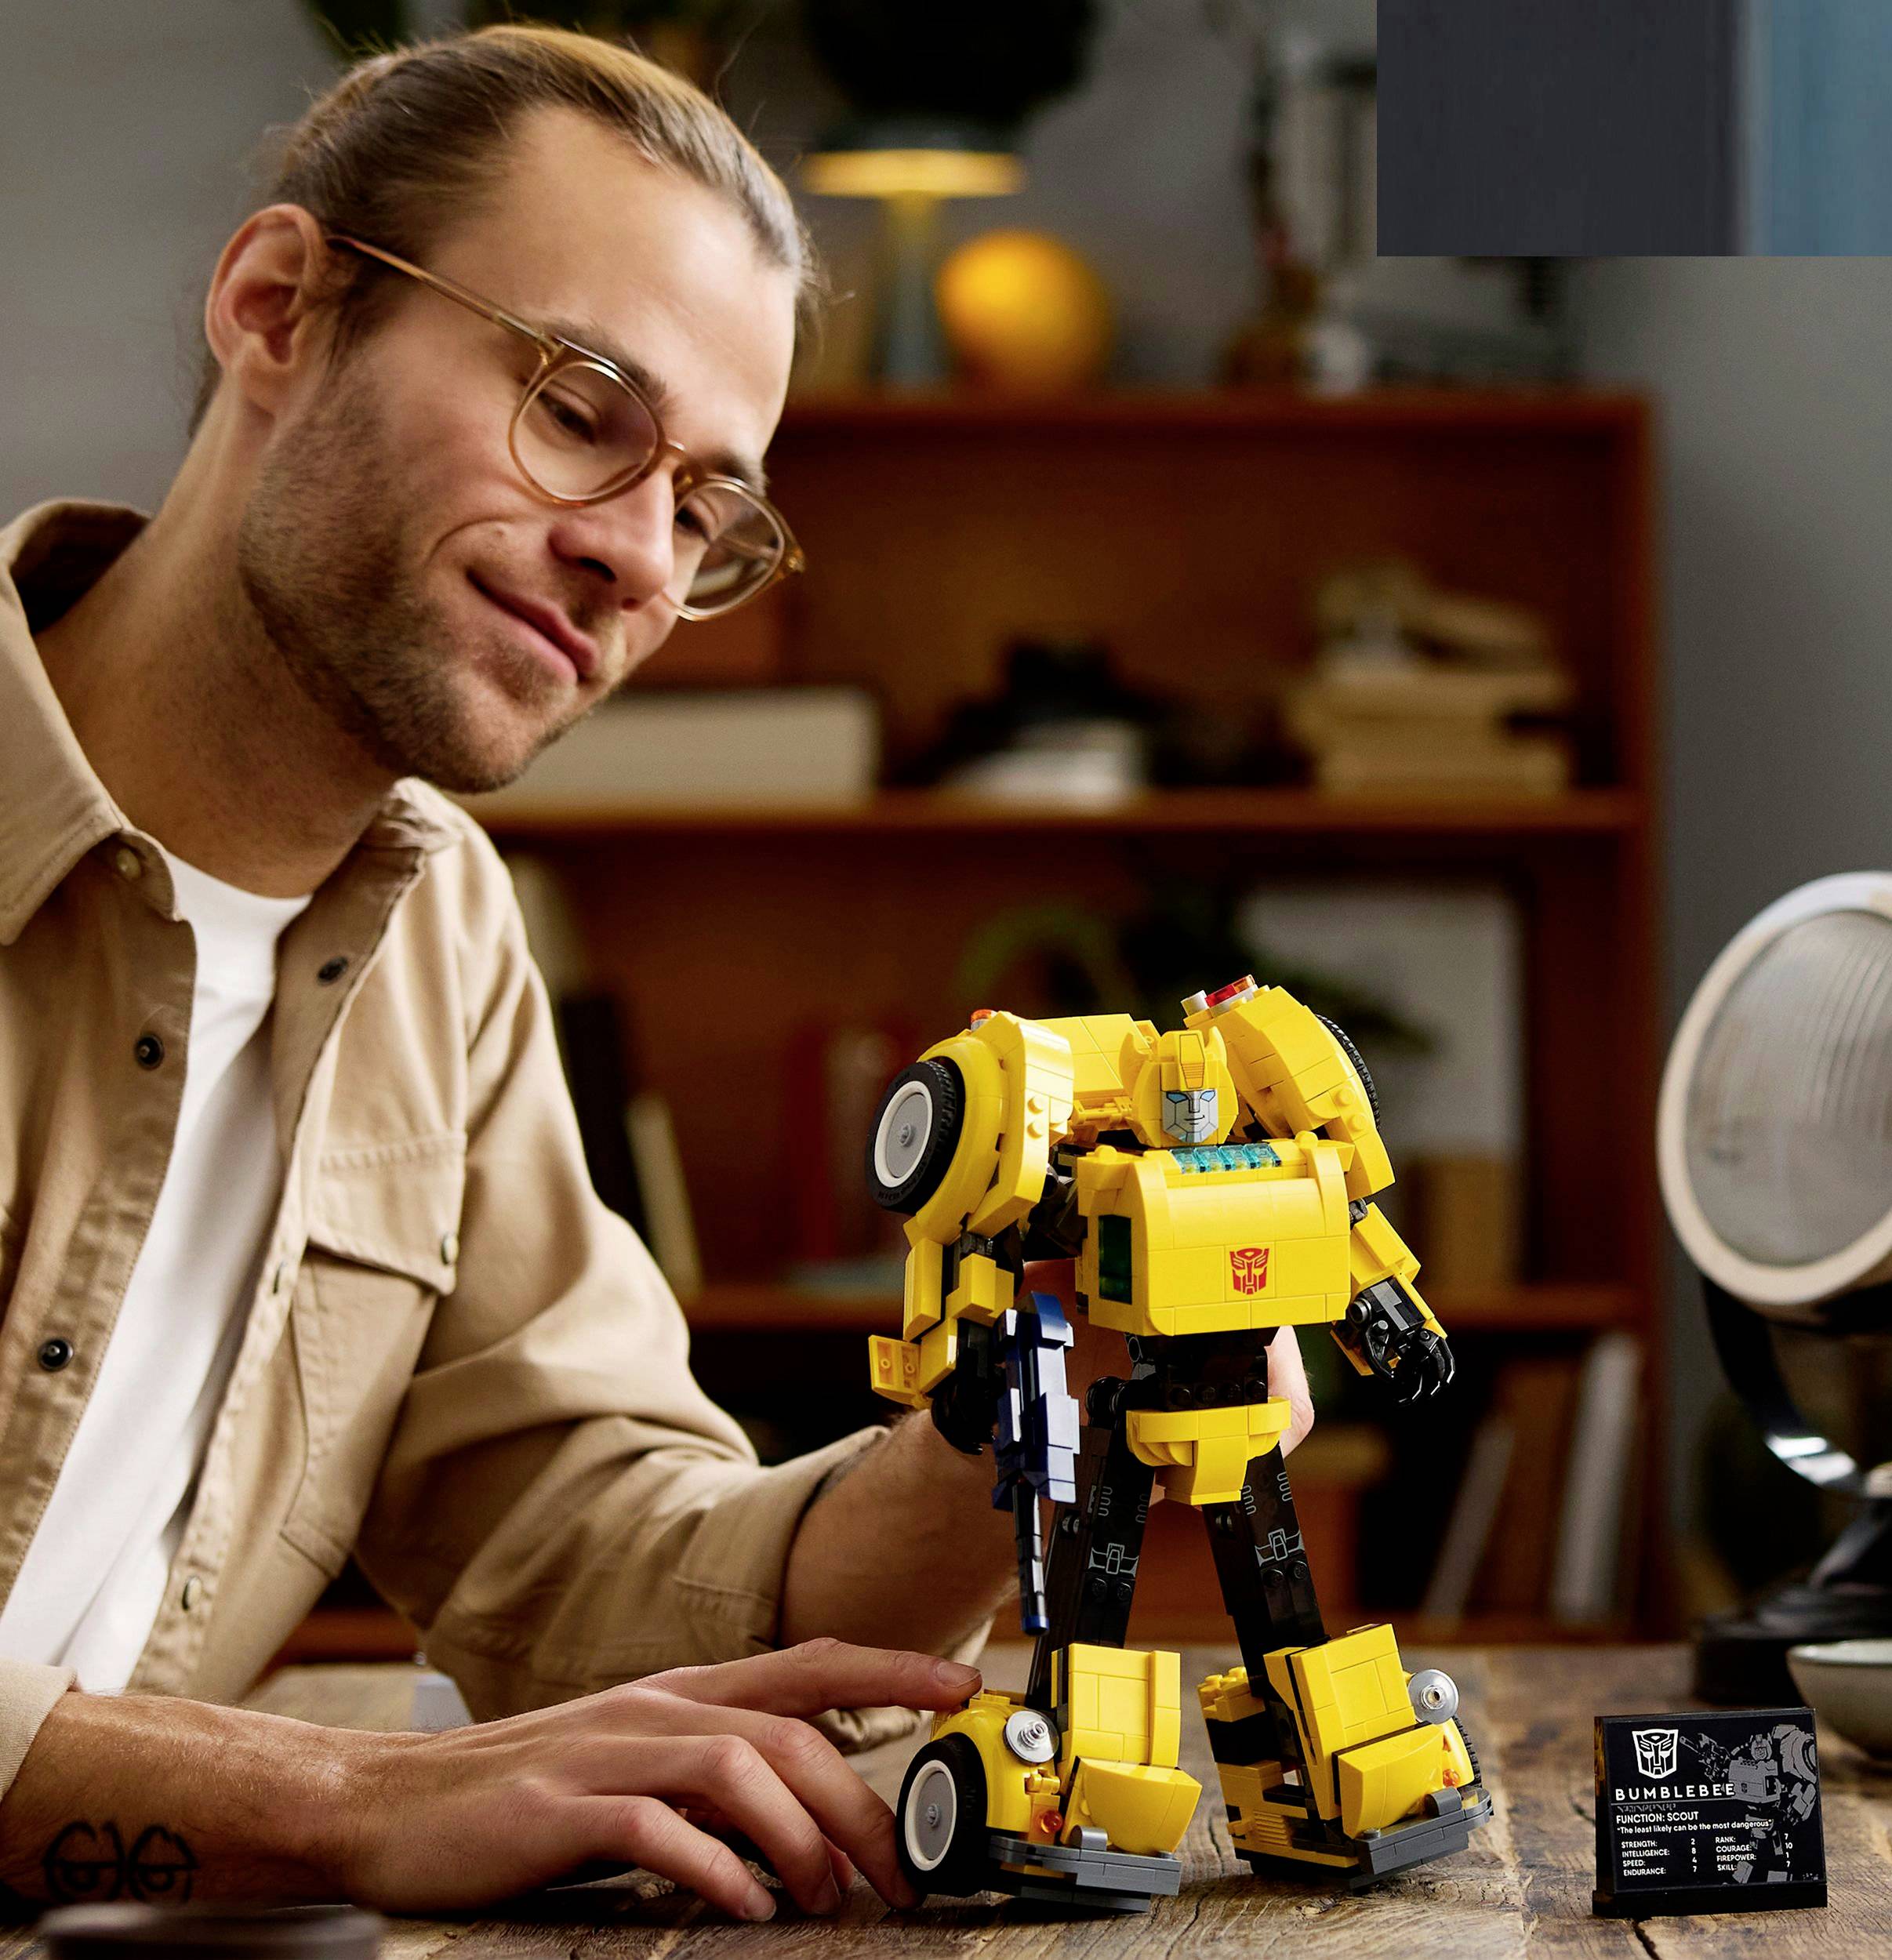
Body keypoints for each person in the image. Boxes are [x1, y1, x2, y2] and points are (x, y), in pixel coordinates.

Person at [0, 24, 1313, 1922]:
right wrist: (354, 1800)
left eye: (705, 508)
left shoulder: (439, 939)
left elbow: (596, 1562)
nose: (635, 558)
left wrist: (1019, 1413)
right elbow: (419, 1768)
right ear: (279, 309)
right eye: (580, 405)